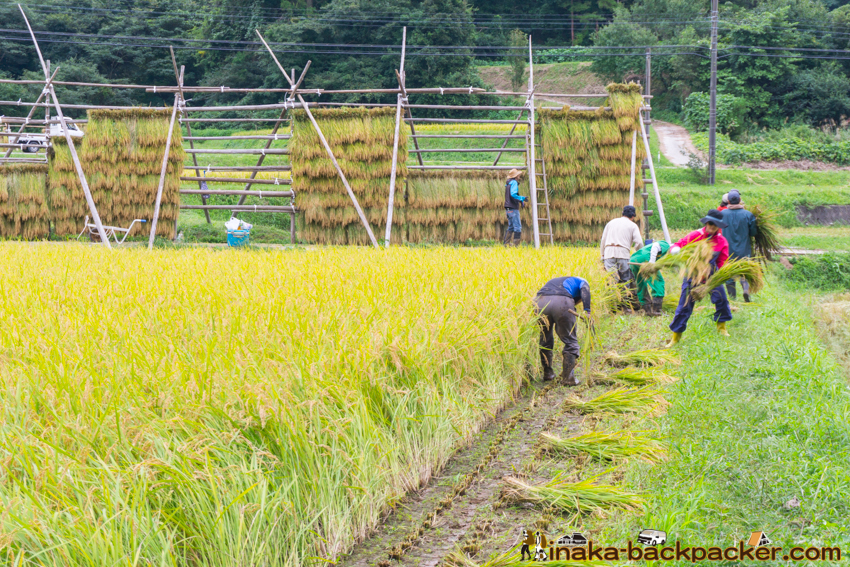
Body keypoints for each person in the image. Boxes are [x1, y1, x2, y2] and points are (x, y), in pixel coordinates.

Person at [666, 209, 732, 347]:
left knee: (721, 300)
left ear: (719, 226)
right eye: (710, 223)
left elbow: (722, 261)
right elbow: (678, 245)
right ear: (706, 223)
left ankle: (722, 328)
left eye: (715, 225)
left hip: (711, 274)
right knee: (684, 305)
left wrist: (723, 274)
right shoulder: (695, 235)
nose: (712, 227)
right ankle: (676, 337)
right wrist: (675, 250)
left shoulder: (721, 241)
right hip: (693, 274)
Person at [535, 276, 592, 385]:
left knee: (545, 338)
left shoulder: (560, 282)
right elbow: (585, 290)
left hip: (540, 302)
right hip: (561, 302)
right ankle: (568, 379)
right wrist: (587, 311)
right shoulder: (583, 281)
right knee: (570, 341)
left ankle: (548, 373)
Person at [600, 205, 643, 312]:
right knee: (625, 281)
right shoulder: (632, 225)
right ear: (633, 216)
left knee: (612, 281)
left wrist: (602, 256)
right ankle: (624, 307)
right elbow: (639, 242)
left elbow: (603, 240)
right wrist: (638, 253)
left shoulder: (611, 223)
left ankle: (612, 307)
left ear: (622, 213)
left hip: (609, 253)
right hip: (623, 254)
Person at [721, 189, 758, 302]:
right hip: (744, 249)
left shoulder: (722, 214)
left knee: (729, 273)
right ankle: (746, 290)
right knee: (744, 271)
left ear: (728, 201)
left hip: (727, 250)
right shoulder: (748, 215)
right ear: (740, 200)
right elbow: (753, 233)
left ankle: (732, 298)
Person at [630, 238, 670, 316]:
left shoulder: (664, 256)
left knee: (641, 283)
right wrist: (651, 262)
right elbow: (655, 246)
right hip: (645, 259)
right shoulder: (667, 245)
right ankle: (657, 310)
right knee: (658, 281)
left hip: (634, 259)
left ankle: (647, 309)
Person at [503, 168, 527, 246]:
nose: (519, 176)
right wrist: (522, 198)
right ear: (516, 176)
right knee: (517, 227)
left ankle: (506, 244)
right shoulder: (514, 183)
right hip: (513, 209)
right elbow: (513, 194)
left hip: (508, 209)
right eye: (518, 175)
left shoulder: (508, 184)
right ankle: (516, 245)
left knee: (511, 227)